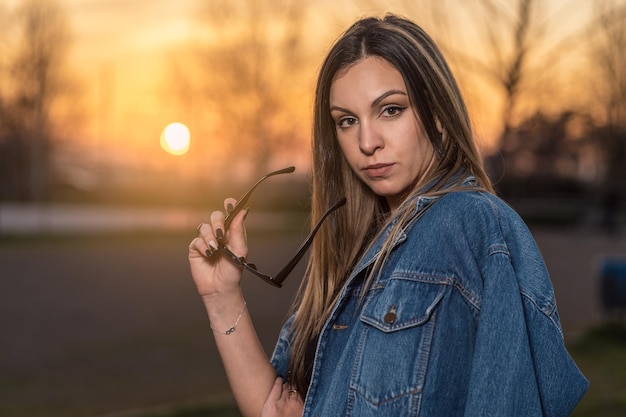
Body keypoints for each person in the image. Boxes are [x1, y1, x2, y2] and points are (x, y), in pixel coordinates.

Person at [189, 14, 588, 417]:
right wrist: (221, 296)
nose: (366, 142)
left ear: (436, 114)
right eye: (347, 121)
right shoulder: (348, 253)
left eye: (391, 110)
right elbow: (276, 410)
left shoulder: (473, 225)